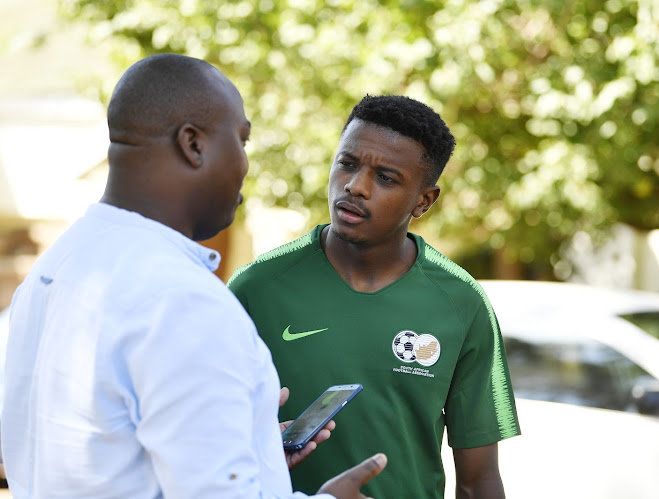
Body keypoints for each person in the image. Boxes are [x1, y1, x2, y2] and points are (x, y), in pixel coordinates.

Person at [0, 53, 386, 498]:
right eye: (241, 141)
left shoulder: (57, 266)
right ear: (194, 144)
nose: (245, 164)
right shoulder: (183, 301)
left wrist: (254, 458)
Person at [228, 95, 520, 498]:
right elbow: (203, 442)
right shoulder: (256, 288)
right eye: (347, 163)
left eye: (385, 177)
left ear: (423, 200)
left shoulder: (462, 303)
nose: (355, 186)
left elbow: (479, 480)